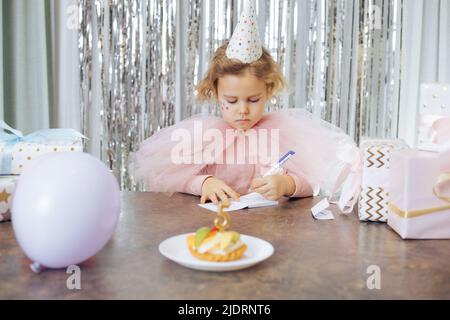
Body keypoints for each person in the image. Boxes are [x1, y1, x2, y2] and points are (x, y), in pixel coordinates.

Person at [129, 0, 361, 209]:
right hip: (216, 224)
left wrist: (287, 184)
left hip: (272, 228)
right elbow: (170, 177)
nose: (243, 109)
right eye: (231, 101)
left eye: (253, 100)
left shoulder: (284, 135)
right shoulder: (204, 137)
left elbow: (312, 183)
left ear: (268, 91)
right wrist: (204, 183)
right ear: (216, 93)